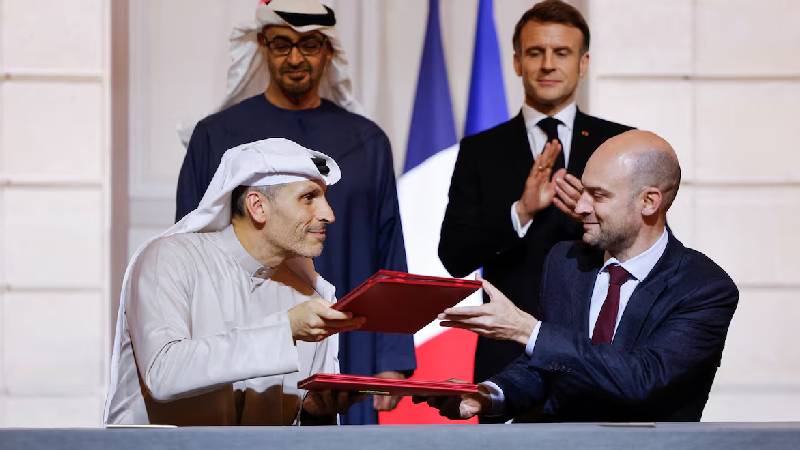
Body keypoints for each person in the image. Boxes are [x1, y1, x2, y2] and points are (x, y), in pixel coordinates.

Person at [174, 0, 415, 424]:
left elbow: (388, 248)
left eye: (310, 45)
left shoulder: (367, 141)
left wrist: (391, 356)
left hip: (348, 345)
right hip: (243, 343)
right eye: (282, 44)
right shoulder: (216, 136)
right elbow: (188, 253)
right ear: (262, 46)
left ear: (329, 51)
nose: (296, 59)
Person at [426, 130, 739, 422]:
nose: (580, 206)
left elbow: (643, 379)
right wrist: (486, 395)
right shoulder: (567, 262)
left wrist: (528, 330)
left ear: (648, 202)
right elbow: (549, 366)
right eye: (584, 191)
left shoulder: (703, 287)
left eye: (598, 195)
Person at [439, 0, 633, 390]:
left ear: (583, 63)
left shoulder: (618, 143)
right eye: (535, 52)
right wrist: (520, 212)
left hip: (598, 352)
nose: (547, 64)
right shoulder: (481, 150)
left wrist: (594, 218)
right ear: (517, 62)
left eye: (561, 52)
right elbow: (454, 256)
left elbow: (650, 248)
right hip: (505, 358)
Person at [104, 138, 367, 425]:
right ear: (258, 206)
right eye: (308, 198)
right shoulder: (167, 260)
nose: (328, 214)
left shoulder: (311, 295)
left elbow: (299, 432)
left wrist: (314, 410)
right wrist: (285, 329)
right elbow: (163, 373)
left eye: (324, 198)